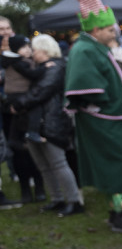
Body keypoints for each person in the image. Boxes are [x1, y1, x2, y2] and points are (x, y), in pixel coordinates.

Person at [64, 0, 122, 234]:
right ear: (97, 29)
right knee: (115, 169)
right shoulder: (84, 50)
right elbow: (83, 88)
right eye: (110, 31)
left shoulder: (97, 47)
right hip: (104, 122)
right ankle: (120, 215)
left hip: (114, 119)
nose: (115, 34)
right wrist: (101, 106)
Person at [5, 35, 81, 216]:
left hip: (51, 121)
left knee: (58, 163)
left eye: (35, 50)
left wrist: (18, 104)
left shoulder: (55, 67)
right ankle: (57, 199)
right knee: (44, 165)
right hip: (35, 123)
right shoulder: (39, 68)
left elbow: (41, 91)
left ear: (44, 50)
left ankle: (74, 200)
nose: (32, 53)